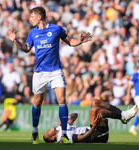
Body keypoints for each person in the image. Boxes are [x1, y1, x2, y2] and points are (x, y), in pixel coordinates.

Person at [6, 6, 91, 144]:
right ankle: (35, 132)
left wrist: (80, 41)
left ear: (39, 17)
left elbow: (69, 41)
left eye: (32, 16)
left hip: (55, 70)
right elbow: (26, 49)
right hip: (40, 72)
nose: (30, 19)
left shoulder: (56, 29)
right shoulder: (33, 33)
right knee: (37, 102)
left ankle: (63, 134)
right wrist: (15, 41)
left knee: (62, 99)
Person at [43, 98, 138, 143]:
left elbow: (75, 115)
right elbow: (83, 137)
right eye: (47, 133)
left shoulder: (61, 128)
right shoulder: (62, 138)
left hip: (95, 131)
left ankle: (123, 115)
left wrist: (67, 119)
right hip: (96, 137)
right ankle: (123, 116)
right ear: (52, 138)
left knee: (95, 102)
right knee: (94, 110)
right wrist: (95, 125)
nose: (48, 130)